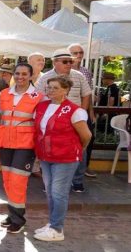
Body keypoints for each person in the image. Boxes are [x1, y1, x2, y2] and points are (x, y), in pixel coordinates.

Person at [32, 76, 92, 242]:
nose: (50, 90)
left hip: (66, 158)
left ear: (65, 90)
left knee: (58, 193)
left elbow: (86, 135)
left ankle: (57, 229)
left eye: (55, 88)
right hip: (46, 156)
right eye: (49, 87)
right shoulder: (42, 106)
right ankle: (52, 223)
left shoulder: (75, 110)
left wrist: (78, 149)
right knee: (50, 192)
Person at [36, 49, 93, 192]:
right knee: (50, 145)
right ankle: (50, 182)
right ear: (55, 62)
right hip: (53, 115)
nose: (69, 64)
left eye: (70, 61)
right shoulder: (46, 77)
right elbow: (38, 96)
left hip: (75, 116)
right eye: (65, 61)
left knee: (80, 147)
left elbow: (86, 95)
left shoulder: (78, 75)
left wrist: (82, 114)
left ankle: (78, 181)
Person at [0, 63, 44, 234]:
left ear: (31, 76)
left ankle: (18, 219)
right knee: (8, 180)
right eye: (17, 73)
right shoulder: (4, 94)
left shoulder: (38, 97)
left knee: (18, 181)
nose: (20, 77)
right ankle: (13, 214)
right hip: (5, 143)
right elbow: (2, 115)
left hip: (25, 145)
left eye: (24, 74)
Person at [69, 44, 97, 179]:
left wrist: (90, 112)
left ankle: (84, 166)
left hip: (82, 111)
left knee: (89, 137)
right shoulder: (62, 69)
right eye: (75, 53)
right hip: (68, 111)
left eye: (80, 52)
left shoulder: (86, 71)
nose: (78, 55)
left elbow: (88, 94)